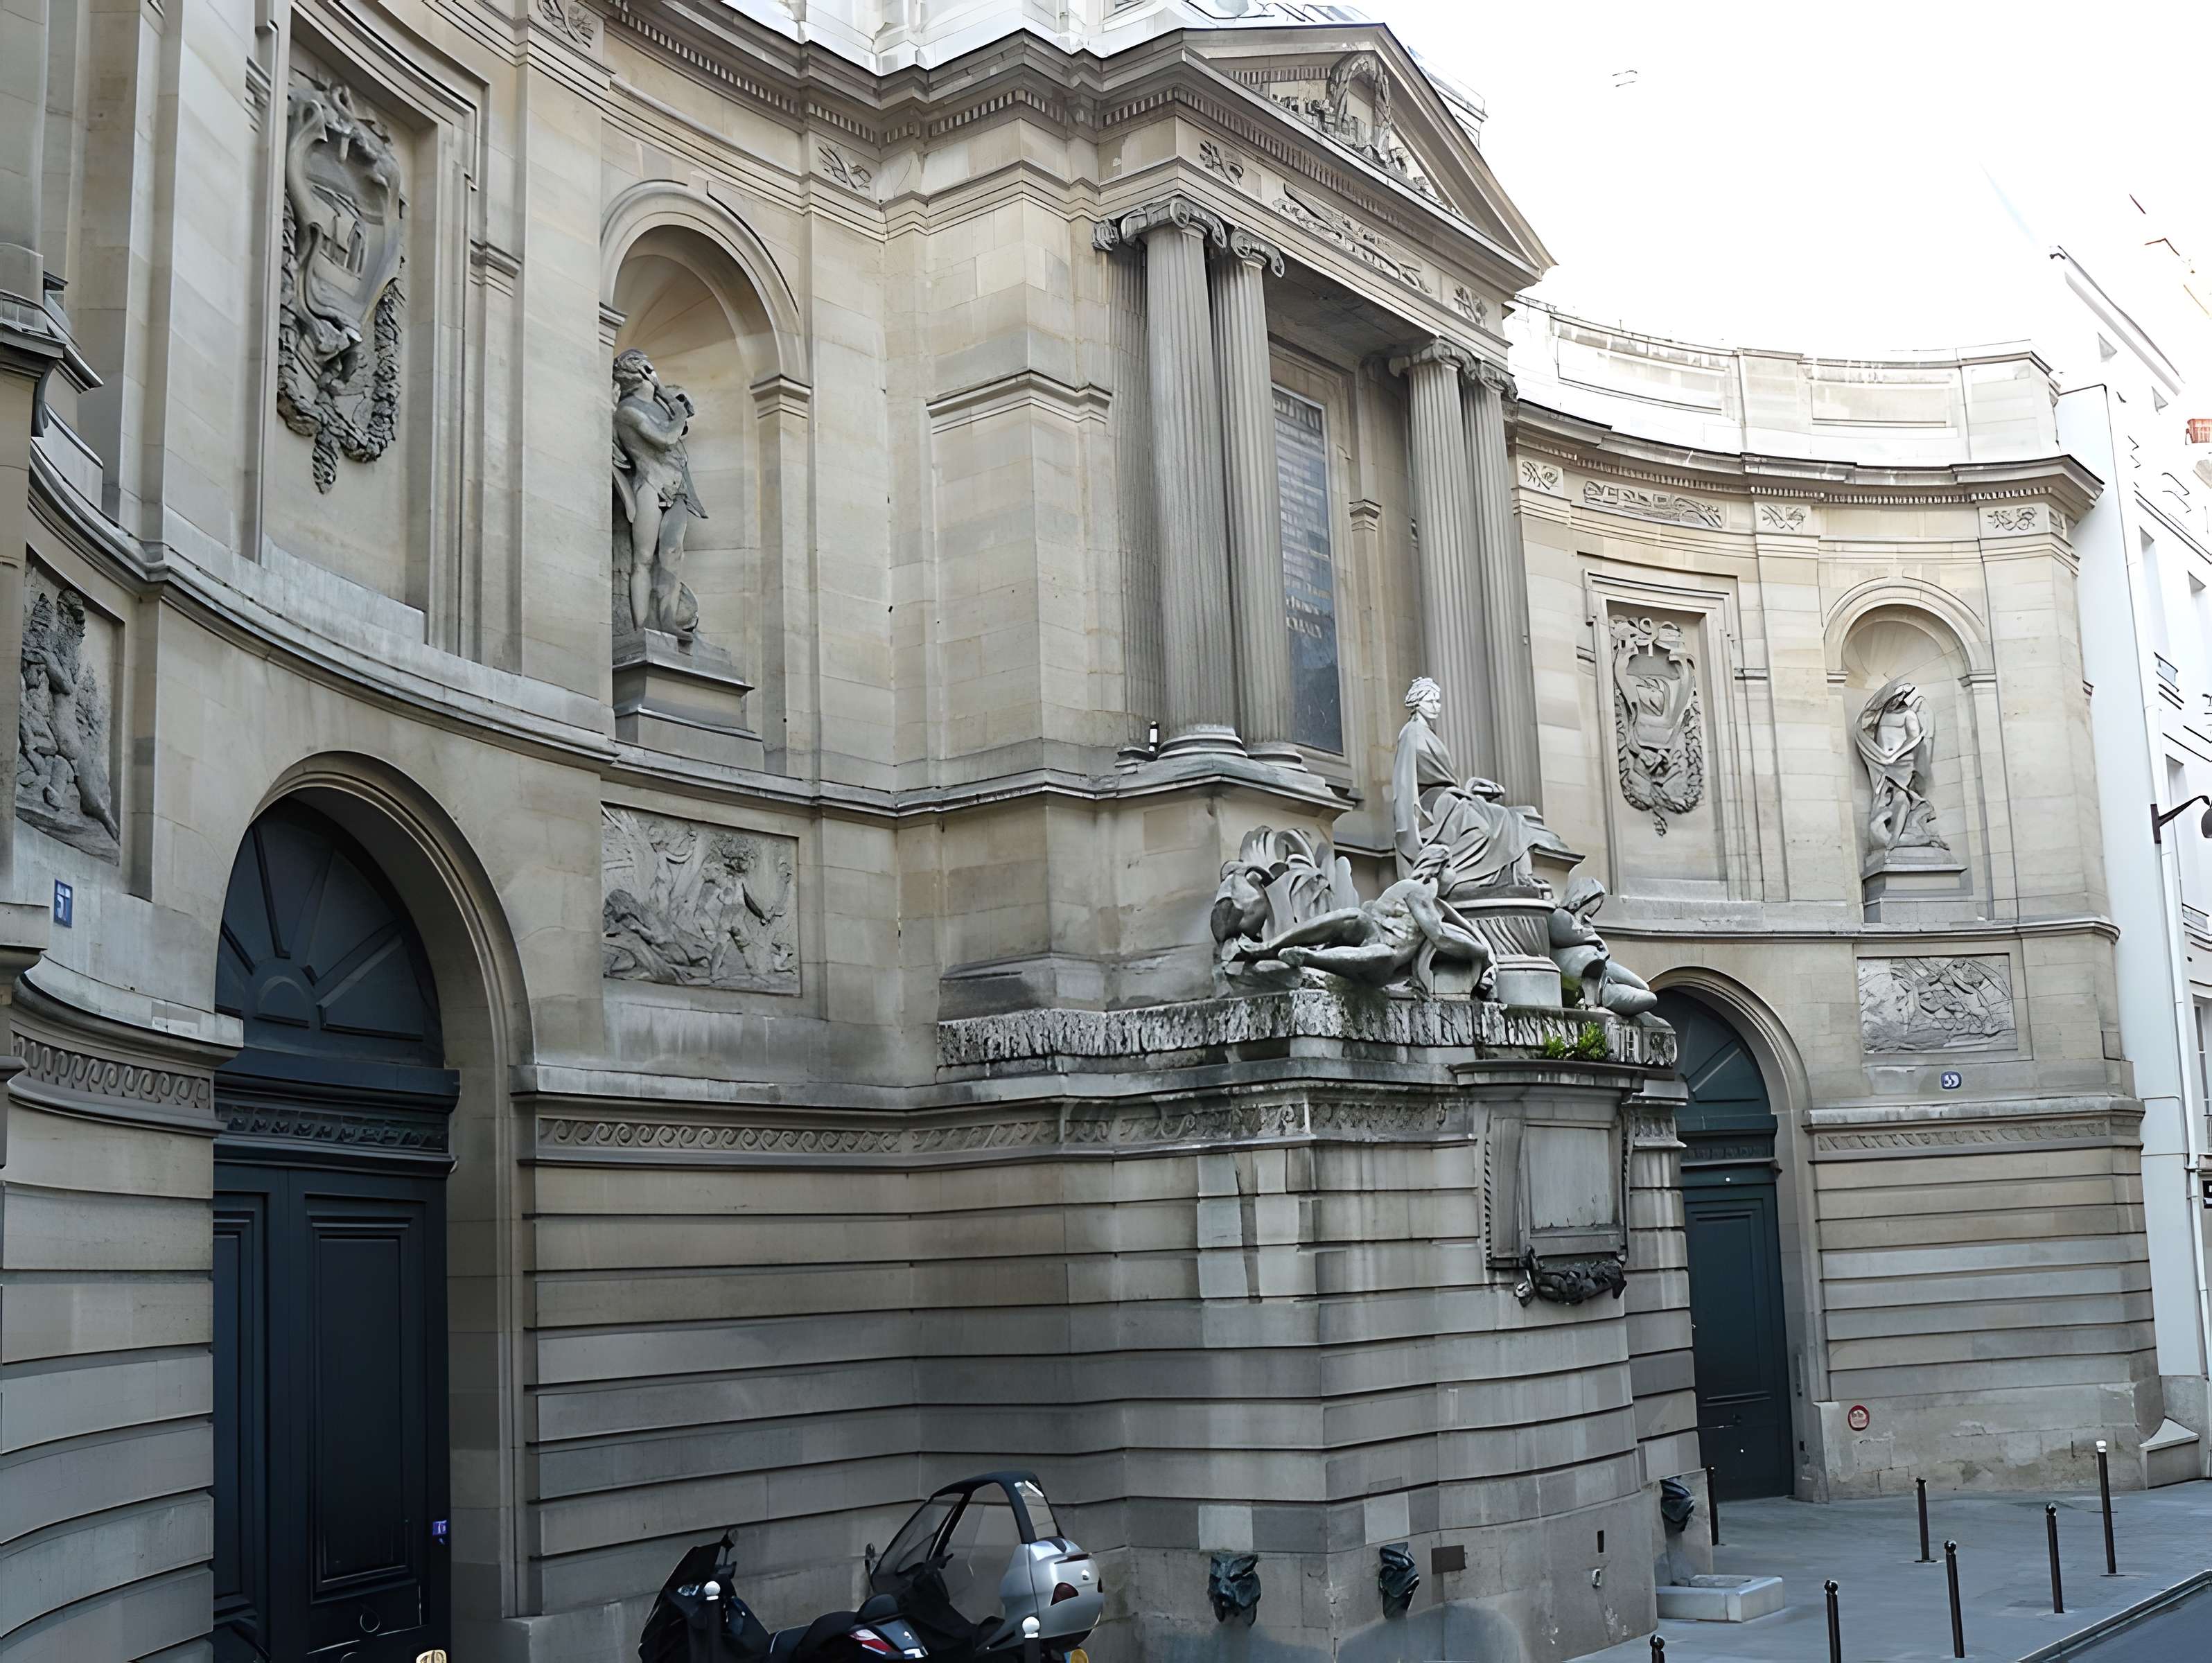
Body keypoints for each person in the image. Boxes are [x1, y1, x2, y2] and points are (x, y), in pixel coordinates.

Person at [1389, 676, 1531, 897]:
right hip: (1435, 803)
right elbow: (1406, 780)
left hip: (1451, 797)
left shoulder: (1426, 733)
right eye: (1431, 701)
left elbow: (1444, 778)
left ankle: (1520, 876)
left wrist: (1472, 787)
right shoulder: (1411, 732)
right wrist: (1411, 823)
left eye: (1438, 701)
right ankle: (1441, 870)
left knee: (1511, 818)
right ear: (1417, 702)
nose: (1436, 706)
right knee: (1484, 827)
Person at [611, 348, 707, 638]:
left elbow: (679, 425)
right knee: (642, 557)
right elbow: (666, 438)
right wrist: (669, 398)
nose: (655, 374)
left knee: (672, 553)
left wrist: (667, 398)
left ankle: (667, 620)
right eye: (649, 368)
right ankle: (641, 629)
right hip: (649, 485)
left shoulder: (662, 407)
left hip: (676, 488)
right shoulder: (628, 411)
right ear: (641, 372)